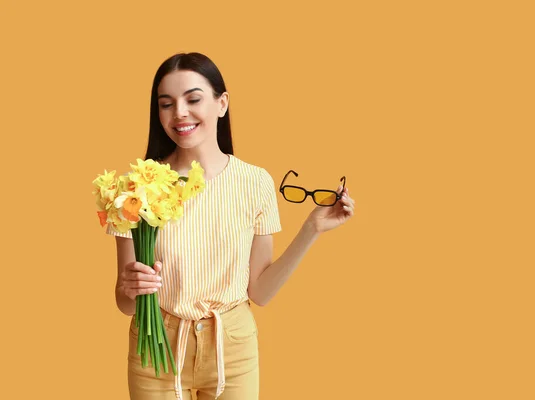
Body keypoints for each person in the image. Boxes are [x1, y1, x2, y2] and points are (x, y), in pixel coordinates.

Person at [106, 52, 356, 400]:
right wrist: (130, 288)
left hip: (233, 346)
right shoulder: (137, 186)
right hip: (156, 348)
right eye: (166, 104)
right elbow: (125, 302)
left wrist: (312, 228)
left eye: (193, 99)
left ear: (222, 104)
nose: (179, 112)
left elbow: (260, 292)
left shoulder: (255, 183)